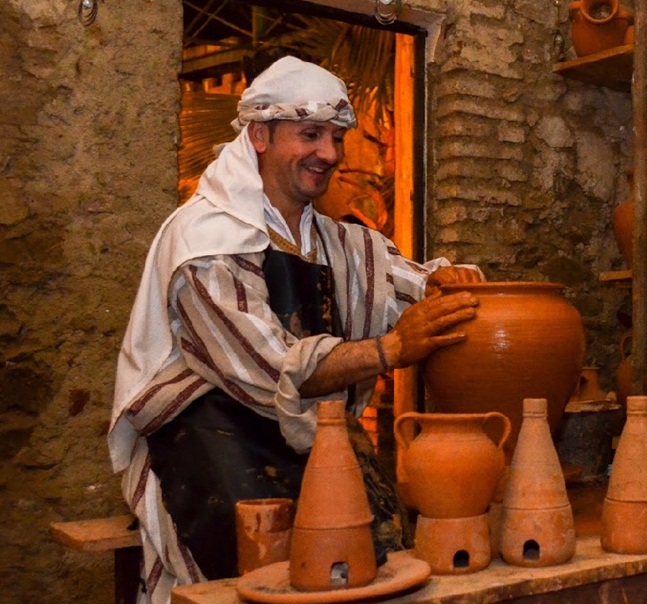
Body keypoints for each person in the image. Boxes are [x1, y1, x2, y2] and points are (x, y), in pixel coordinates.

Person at [108, 56, 480, 604]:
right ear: (259, 135)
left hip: (311, 441)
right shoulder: (205, 239)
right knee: (260, 583)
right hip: (213, 445)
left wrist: (450, 283)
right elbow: (266, 365)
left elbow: (412, 281)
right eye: (309, 134)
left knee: (380, 564)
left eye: (336, 137)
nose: (328, 154)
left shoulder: (334, 242)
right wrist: (391, 349)